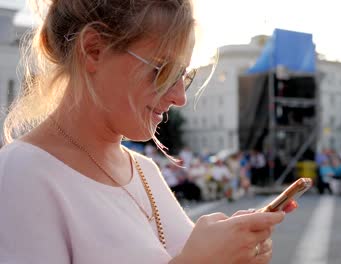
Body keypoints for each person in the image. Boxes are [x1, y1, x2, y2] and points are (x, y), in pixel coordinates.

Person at [0, 1, 296, 263]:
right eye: (163, 71)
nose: (179, 97)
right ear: (93, 50)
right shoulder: (22, 173)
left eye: (184, 75)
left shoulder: (144, 169)